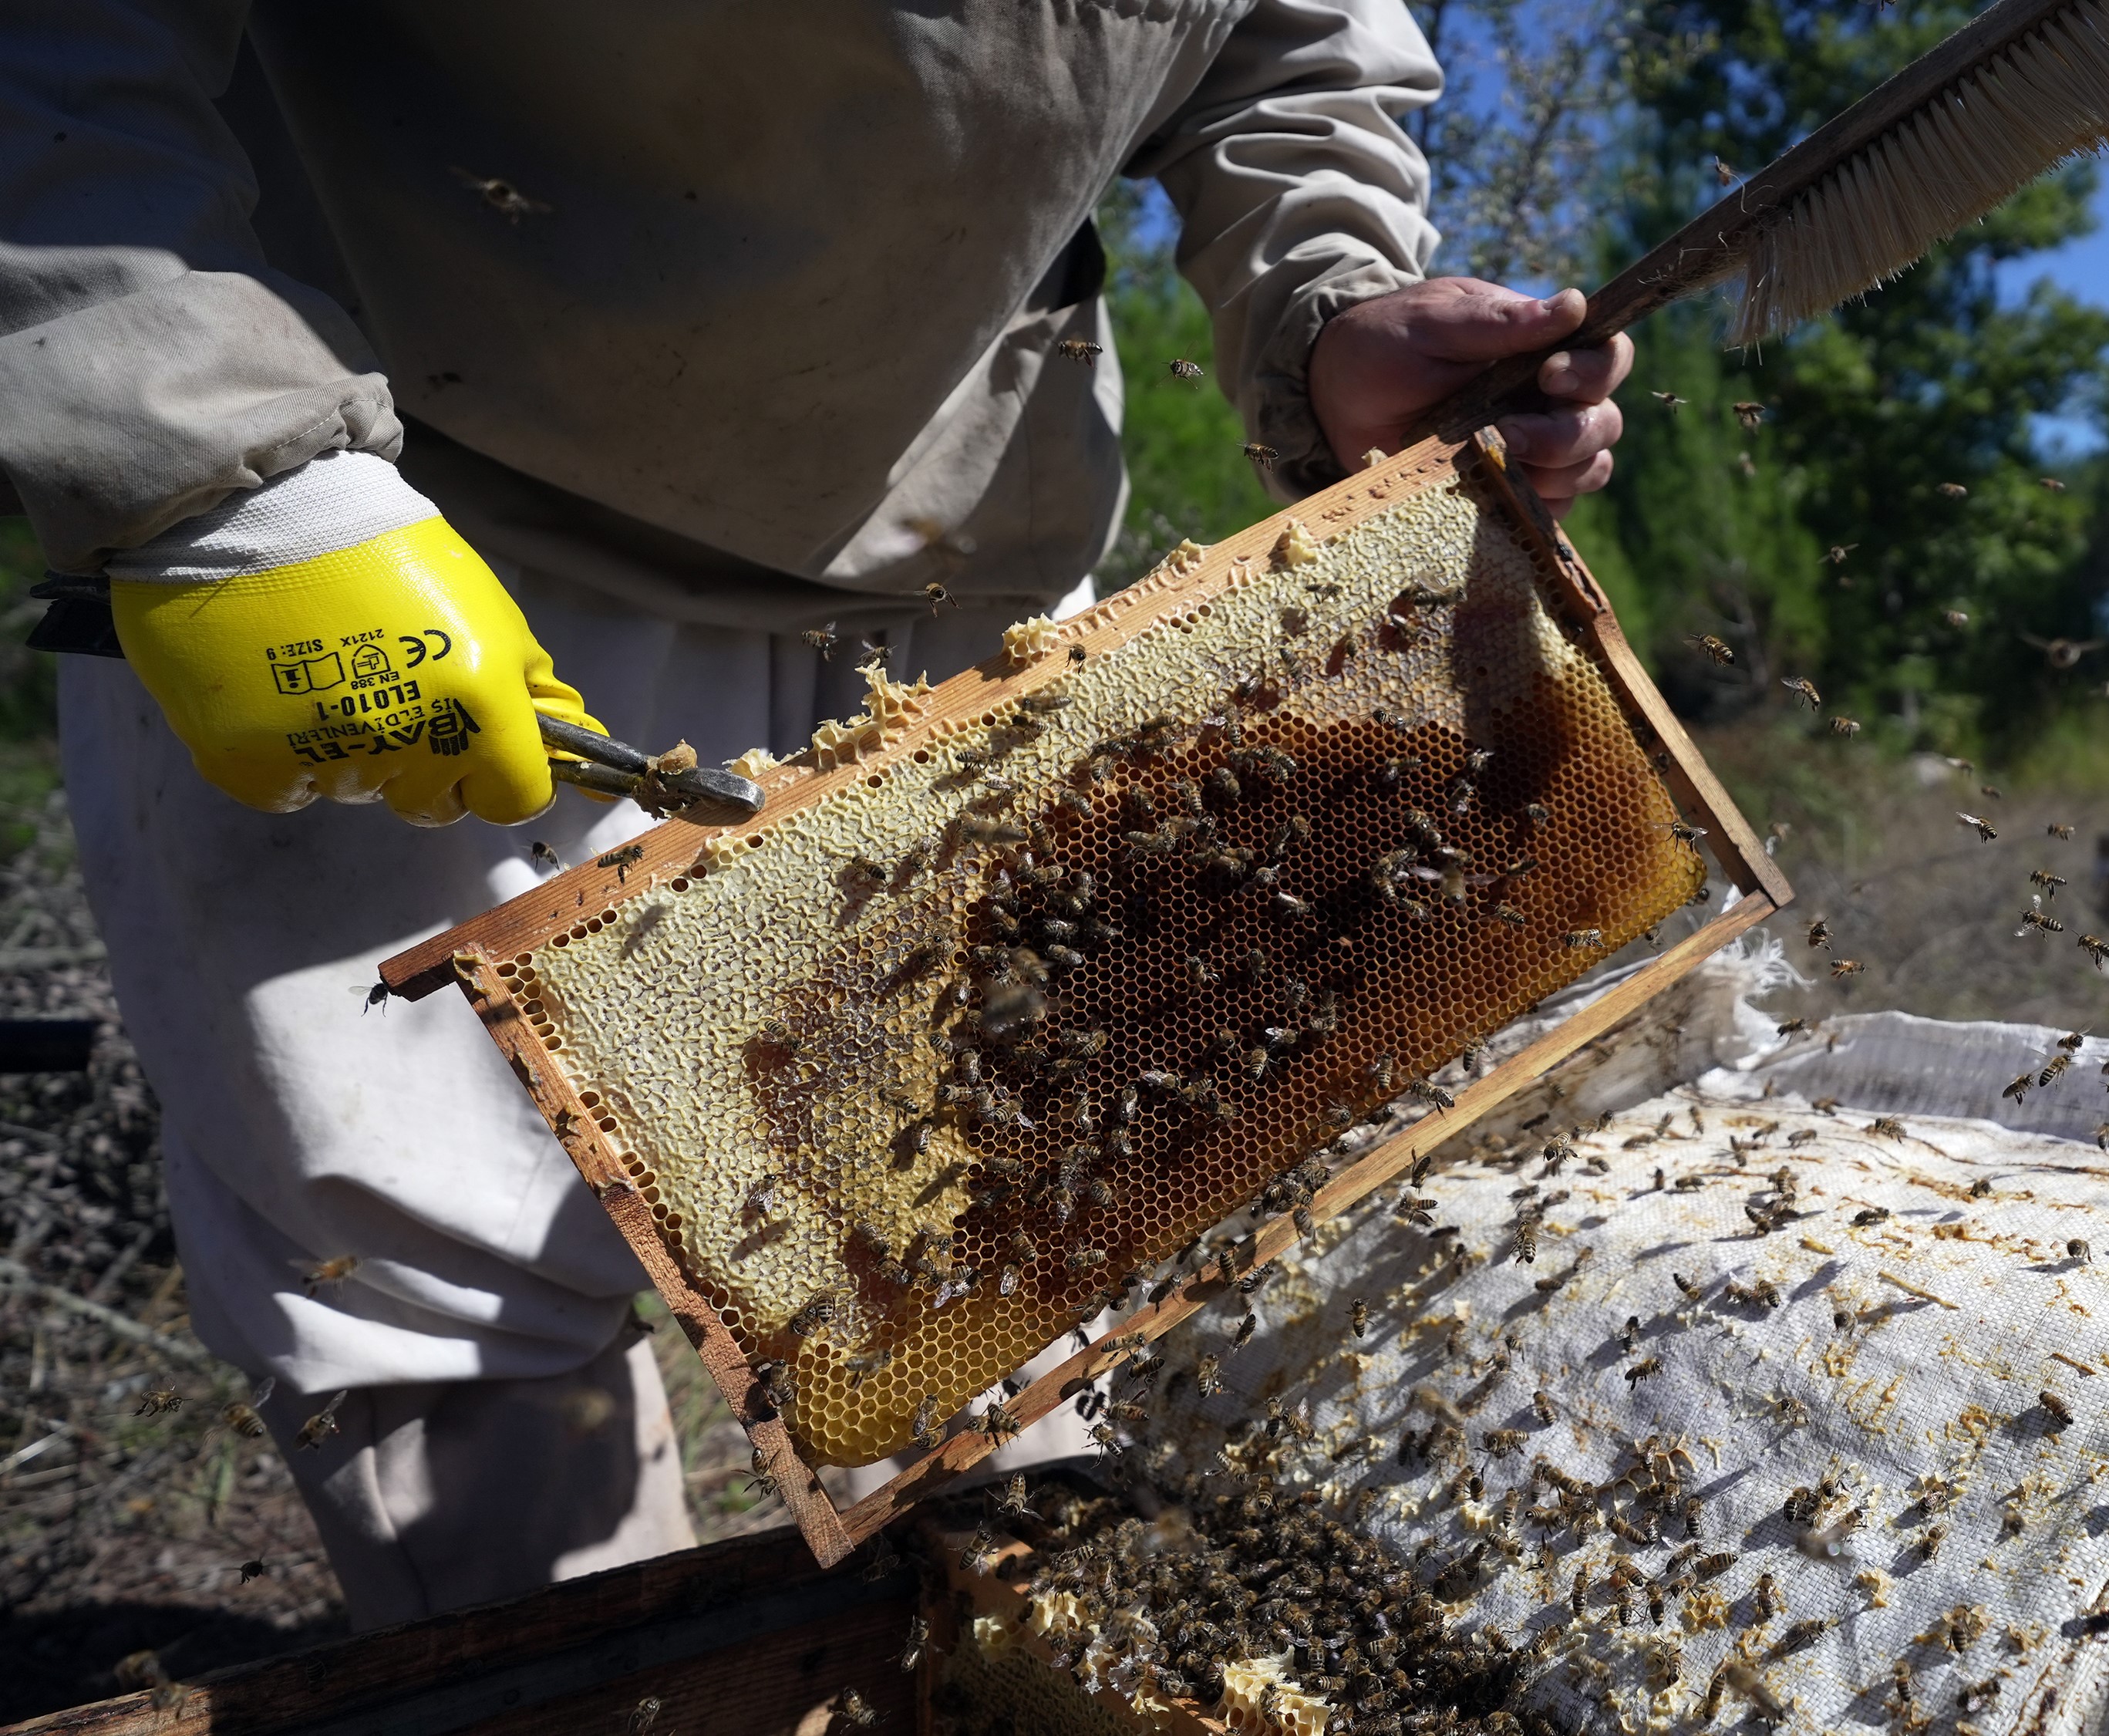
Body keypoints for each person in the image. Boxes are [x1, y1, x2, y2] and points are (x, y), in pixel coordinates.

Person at [0, 1, 1632, 1627]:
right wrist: (218, 463)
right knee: (445, 1297)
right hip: (411, 511)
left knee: (981, 1243)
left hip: (957, 559)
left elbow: (1296, 46)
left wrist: (1324, 297)